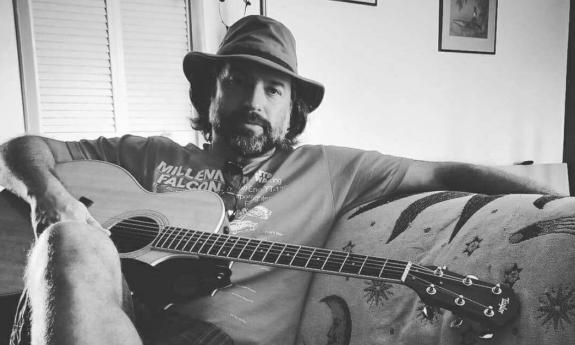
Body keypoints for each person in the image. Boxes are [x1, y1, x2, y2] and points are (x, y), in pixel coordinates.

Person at [0, 15, 557, 345]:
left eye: (273, 90)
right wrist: (49, 198)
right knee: (69, 239)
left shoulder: (333, 169)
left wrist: (555, 201)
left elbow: (447, 172)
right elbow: (21, 149)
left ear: (294, 112)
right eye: (236, 82)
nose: (252, 102)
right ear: (209, 95)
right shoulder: (144, 156)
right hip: (110, 317)